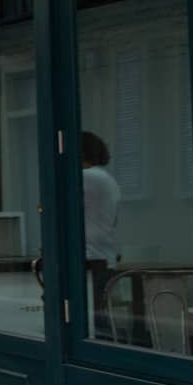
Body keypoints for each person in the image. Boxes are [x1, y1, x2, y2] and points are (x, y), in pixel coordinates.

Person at [82, 131, 121, 338]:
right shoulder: (107, 178)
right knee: (100, 313)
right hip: (105, 254)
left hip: (91, 255)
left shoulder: (87, 178)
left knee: (94, 318)